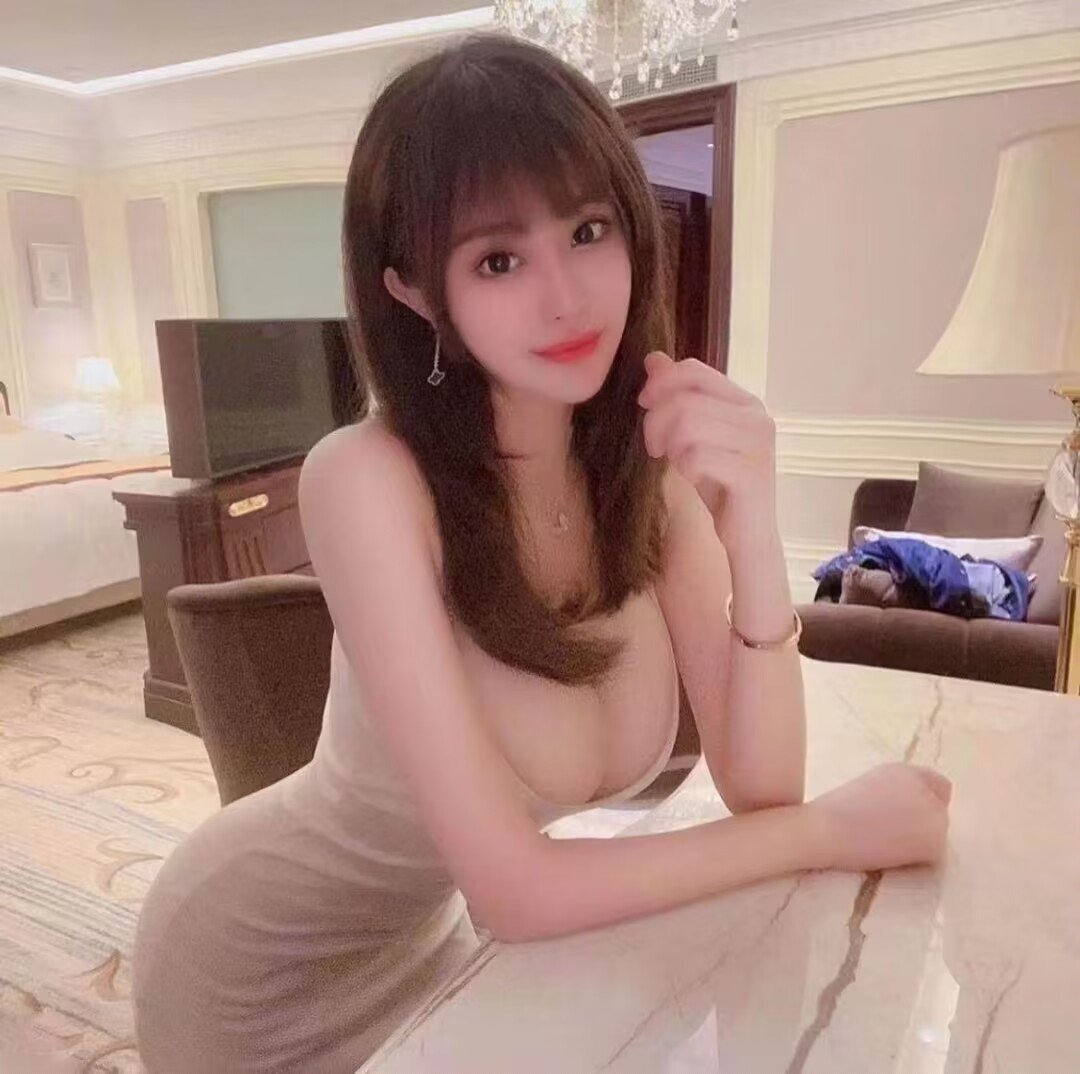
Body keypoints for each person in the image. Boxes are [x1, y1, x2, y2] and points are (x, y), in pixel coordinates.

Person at [131, 31, 952, 1072]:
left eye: (589, 229)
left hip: (434, 953)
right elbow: (517, 892)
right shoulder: (369, 479)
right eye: (499, 259)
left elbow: (759, 783)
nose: (567, 296)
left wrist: (752, 517)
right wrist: (834, 831)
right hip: (258, 968)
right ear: (414, 291)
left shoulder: (640, 476)